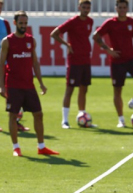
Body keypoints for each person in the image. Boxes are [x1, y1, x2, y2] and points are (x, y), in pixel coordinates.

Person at [0, 10, 59, 156]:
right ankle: (16, 147)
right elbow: (1, 64)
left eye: (25, 23)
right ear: (15, 23)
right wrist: (1, 86)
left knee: (38, 114)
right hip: (13, 85)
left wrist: (41, 83)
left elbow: (35, 63)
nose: (23, 26)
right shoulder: (7, 41)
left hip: (28, 85)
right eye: (21, 23)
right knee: (13, 116)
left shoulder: (31, 40)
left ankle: (41, 147)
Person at [93, 0, 133, 128]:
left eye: (124, 7)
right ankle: (121, 120)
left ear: (127, 8)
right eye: (120, 7)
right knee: (117, 91)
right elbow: (96, 36)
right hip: (117, 62)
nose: (122, 9)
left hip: (131, 60)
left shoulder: (132, 22)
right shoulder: (110, 23)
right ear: (116, 8)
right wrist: (108, 50)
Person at [50, 0, 93, 129]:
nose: (86, 9)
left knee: (84, 89)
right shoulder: (72, 21)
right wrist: (66, 44)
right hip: (74, 61)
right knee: (70, 89)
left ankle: (82, 116)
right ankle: (65, 120)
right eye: (83, 7)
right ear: (79, 7)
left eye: (88, 7)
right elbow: (54, 34)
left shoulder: (90, 21)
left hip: (86, 59)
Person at [0, 0, 29, 132]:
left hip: (4, 62)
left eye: (1, 6)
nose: (0, 8)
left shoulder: (4, 23)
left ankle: (15, 121)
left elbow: (12, 41)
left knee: (10, 93)